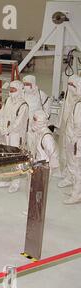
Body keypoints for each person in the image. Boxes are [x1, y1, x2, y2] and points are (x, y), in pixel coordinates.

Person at [0, 80, 29, 193]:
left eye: (14, 90)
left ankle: (15, 182)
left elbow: (18, 123)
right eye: (10, 89)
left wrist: (7, 130)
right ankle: (6, 179)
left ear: (19, 91)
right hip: (5, 134)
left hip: (15, 136)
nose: (11, 92)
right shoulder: (8, 100)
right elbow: (1, 115)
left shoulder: (23, 105)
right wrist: (1, 128)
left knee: (15, 159)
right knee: (5, 157)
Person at [58, 75, 80, 187]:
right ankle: (66, 173)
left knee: (72, 157)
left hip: (74, 135)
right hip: (66, 129)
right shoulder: (68, 95)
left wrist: (75, 136)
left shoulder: (78, 101)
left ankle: (72, 179)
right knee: (64, 153)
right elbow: (64, 111)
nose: (70, 87)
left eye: (73, 85)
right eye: (69, 84)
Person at [62, 76, 81, 204]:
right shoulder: (75, 101)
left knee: (76, 167)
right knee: (73, 164)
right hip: (71, 139)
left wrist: (73, 140)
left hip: (76, 141)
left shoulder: (79, 105)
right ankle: (76, 188)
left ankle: (77, 194)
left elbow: (79, 126)